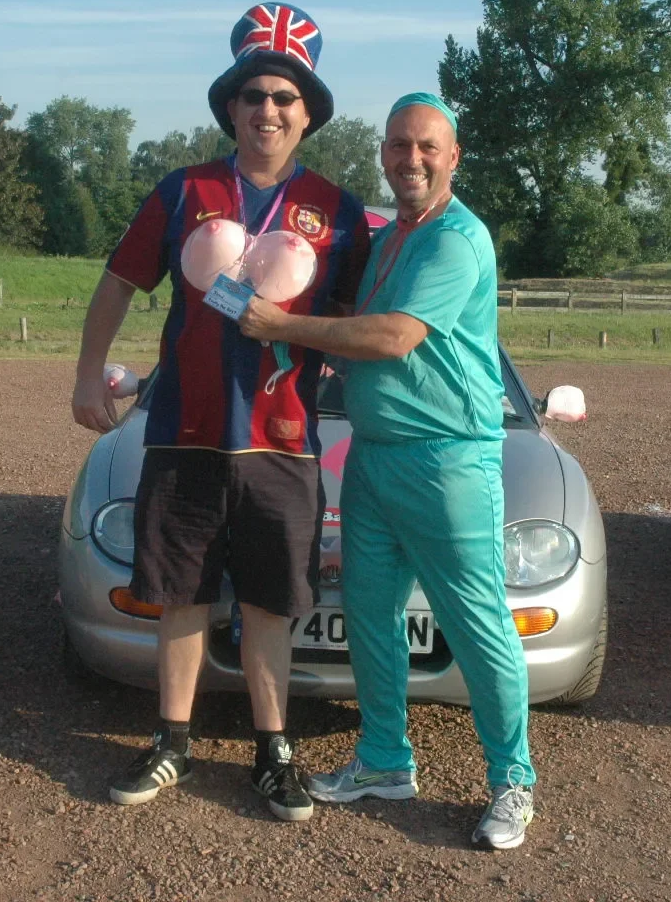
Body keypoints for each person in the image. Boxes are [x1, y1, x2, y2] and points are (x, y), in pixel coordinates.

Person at [70, 2, 372, 822]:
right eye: (253, 95)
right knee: (182, 594)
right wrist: (89, 374)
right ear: (230, 108)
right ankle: (171, 742)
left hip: (286, 442)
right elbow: (119, 282)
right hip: (185, 432)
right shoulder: (183, 190)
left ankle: (274, 753)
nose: (268, 109)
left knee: (273, 601)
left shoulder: (339, 210)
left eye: (285, 97)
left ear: (307, 114)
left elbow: (356, 325)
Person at [235, 92, 536, 849]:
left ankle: (513, 780)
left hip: (448, 460)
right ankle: (383, 760)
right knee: (371, 614)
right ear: (383, 154)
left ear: (453, 157)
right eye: (399, 145)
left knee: (476, 623)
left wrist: (281, 324)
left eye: (427, 146)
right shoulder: (390, 237)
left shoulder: (455, 240)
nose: (412, 159)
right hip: (374, 454)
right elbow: (351, 324)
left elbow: (392, 337)